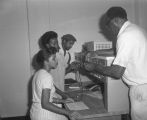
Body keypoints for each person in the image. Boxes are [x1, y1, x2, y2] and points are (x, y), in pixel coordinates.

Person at [84, 6, 147, 120]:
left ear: (116, 21)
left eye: (108, 26)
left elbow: (116, 72)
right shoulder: (137, 30)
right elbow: (117, 51)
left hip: (141, 90)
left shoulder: (125, 36)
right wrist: (96, 53)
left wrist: (94, 67)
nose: (109, 29)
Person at [30, 47, 81, 120]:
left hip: (36, 112)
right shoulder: (47, 77)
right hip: (44, 115)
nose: (57, 61)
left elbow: (45, 98)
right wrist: (68, 112)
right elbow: (45, 104)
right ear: (45, 61)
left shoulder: (38, 73)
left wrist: (62, 101)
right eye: (53, 59)